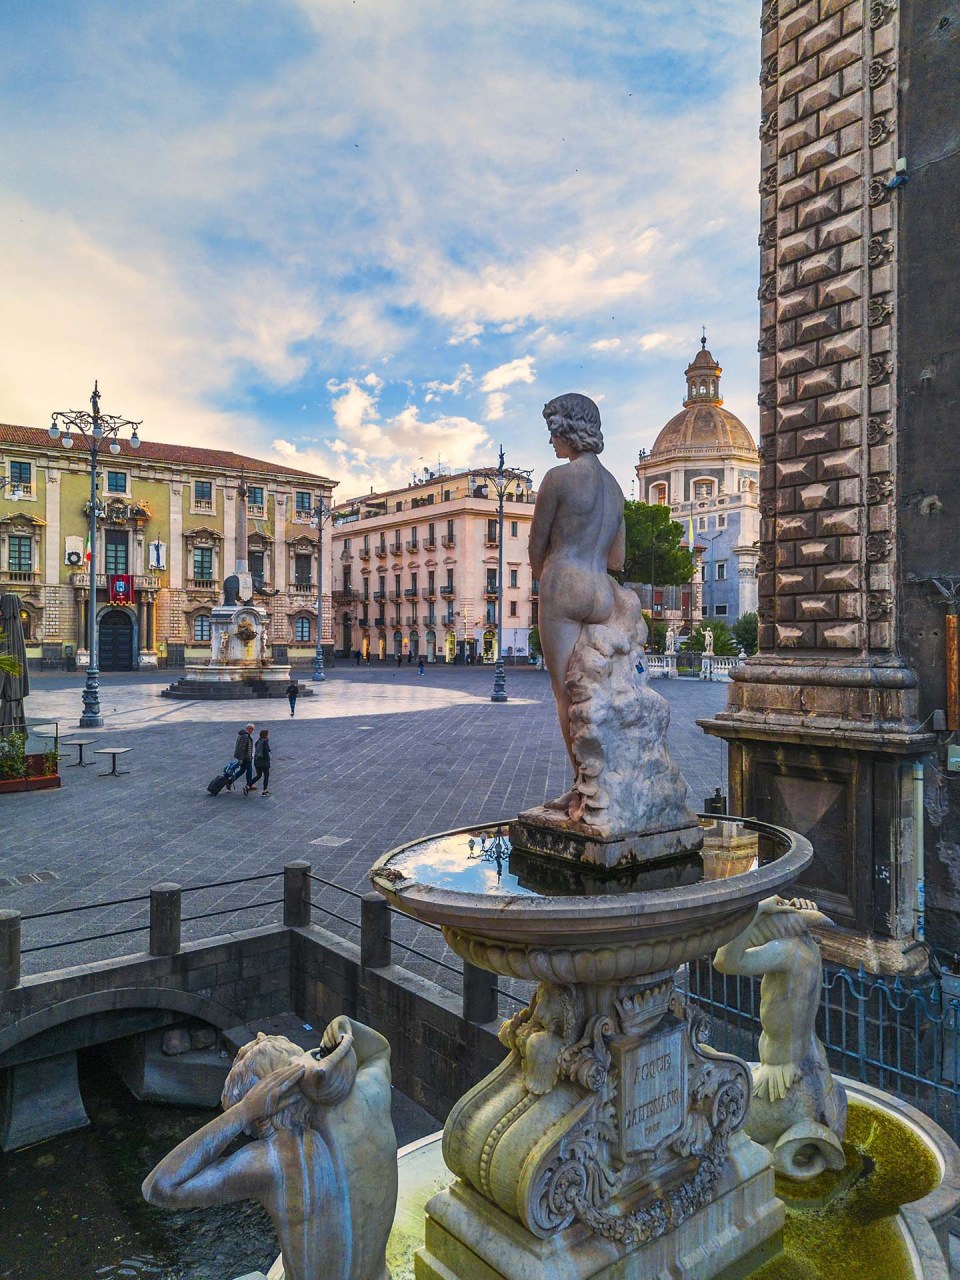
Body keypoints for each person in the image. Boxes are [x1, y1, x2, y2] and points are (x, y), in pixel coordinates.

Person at [142, 1017, 398, 1280]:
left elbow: (159, 1188)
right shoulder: (370, 1097)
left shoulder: (273, 1162)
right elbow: (379, 1050)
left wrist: (243, 1111)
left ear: (265, 1111)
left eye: (253, 1126)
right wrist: (345, 1028)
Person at [528, 393, 625, 812]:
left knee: (567, 696)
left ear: (568, 428)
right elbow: (618, 559)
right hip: (601, 590)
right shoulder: (617, 487)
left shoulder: (558, 478)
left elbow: (536, 544)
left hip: (563, 583)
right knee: (597, 691)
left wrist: (547, 580)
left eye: (553, 430)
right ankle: (611, 775)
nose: (551, 440)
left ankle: (585, 788)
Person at [247, 728, 271, 797]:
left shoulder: (257, 742)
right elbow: (266, 753)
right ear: (265, 735)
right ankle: (265, 790)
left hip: (257, 761)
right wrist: (268, 763)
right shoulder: (265, 742)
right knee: (266, 776)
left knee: (258, 775)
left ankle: (248, 786)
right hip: (264, 762)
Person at [232, 723, 255, 791]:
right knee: (249, 771)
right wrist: (241, 759)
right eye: (252, 729)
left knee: (242, 770)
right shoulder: (245, 736)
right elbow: (242, 748)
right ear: (249, 728)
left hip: (245, 757)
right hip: (246, 757)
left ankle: (229, 781)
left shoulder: (243, 735)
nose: (252, 731)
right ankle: (249, 785)